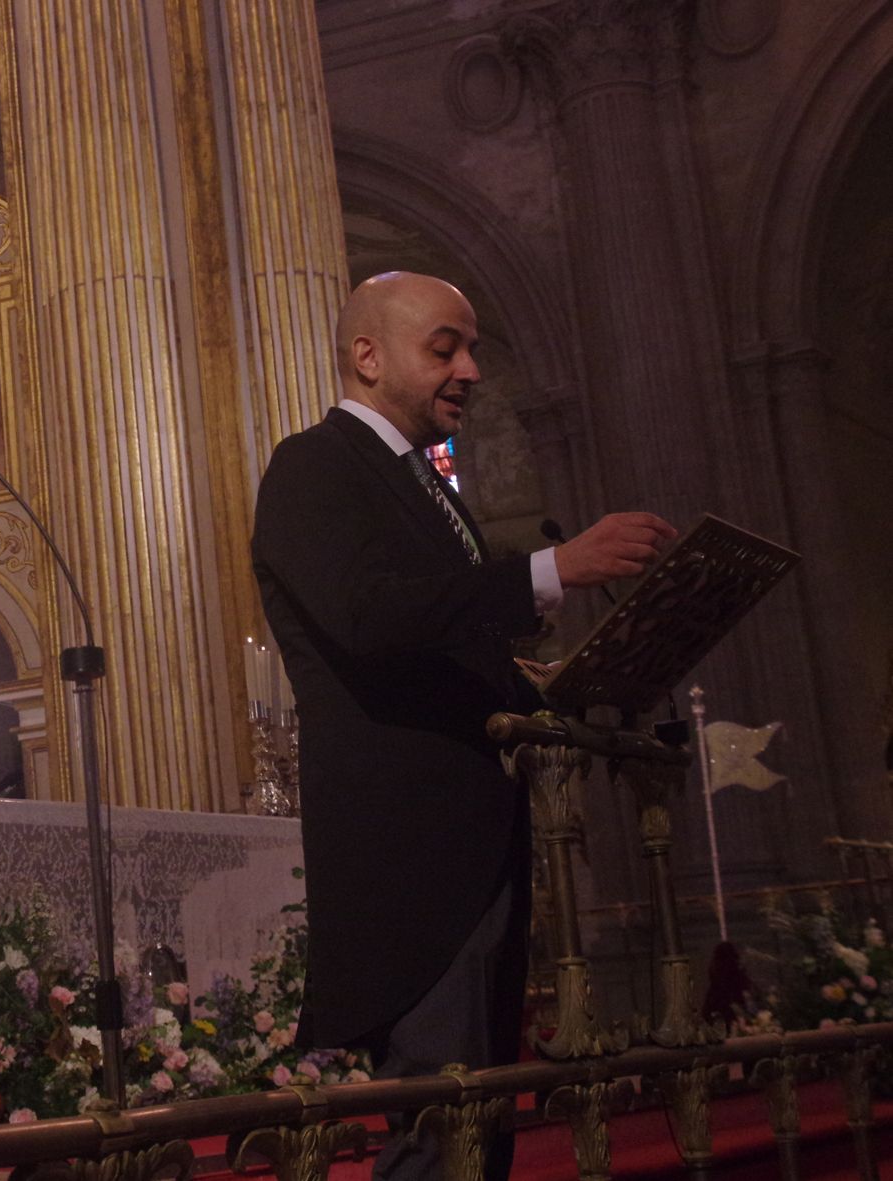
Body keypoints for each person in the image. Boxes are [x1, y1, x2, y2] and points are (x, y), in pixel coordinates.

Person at [251, 271, 676, 1181]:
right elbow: (369, 616)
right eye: (445, 346)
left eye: (472, 347)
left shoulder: (427, 486)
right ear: (367, 356)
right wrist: (554, 567)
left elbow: (441, 635)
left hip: (473, 839)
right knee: (440, 1118)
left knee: (476, 1121)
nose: (472, 368)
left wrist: (560, 684)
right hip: (410, 855)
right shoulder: (313, 463)